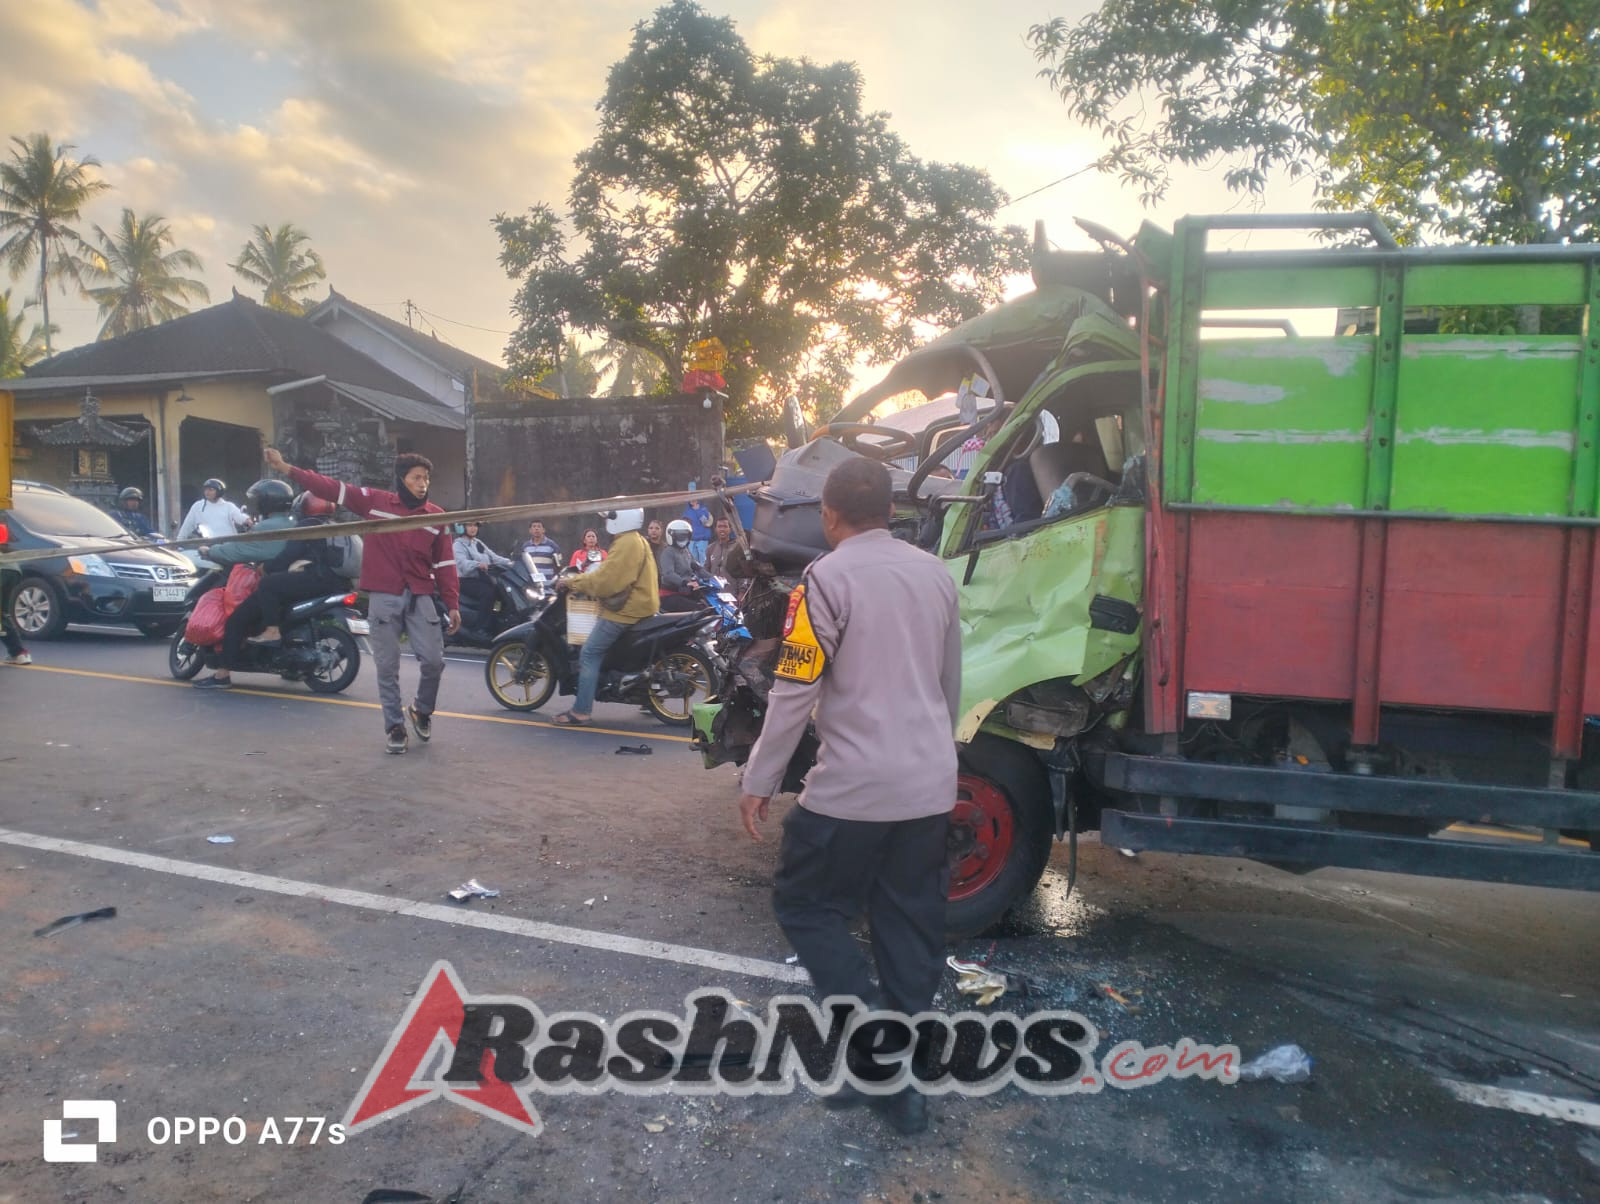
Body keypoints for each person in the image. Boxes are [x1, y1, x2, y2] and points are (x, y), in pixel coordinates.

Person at [737, 457, 962, 1136]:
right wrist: (931, 760)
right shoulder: (937, 575)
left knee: (803, 904)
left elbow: (795, 686)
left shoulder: (823, 579)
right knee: (906, 927)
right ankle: (900, 1084)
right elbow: (950, 683)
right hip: (928, 785)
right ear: (891, 512)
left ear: (829, 516)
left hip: (853, 791)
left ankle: (869, 1040)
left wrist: (759, 778)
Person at [264, 446, 460, 755]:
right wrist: (286, 467)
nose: (423, 484)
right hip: (384, 594)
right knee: (387, 665)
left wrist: (452, 603)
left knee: (434, 661)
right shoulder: (375, 502)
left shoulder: (437, 517)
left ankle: (421, 710)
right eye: (417, 478)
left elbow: (446, 564)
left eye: (426, 479)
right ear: (402, 479)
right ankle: (394, 726)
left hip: (421, 595)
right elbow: (330, 488)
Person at [551, 508, 658, 726]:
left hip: (627, 609)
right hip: (643, 605)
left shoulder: (627, 543)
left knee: (589, 652)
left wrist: (572, 582)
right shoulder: (635, 539)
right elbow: (608, 572)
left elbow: (607, 581)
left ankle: (581, 711)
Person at [191, 479, 299, 690]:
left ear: (266, 503)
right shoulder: (294, 523)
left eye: (258, 500)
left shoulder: (265, 528)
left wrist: (209, 551)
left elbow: (238, 550)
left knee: (235, 621)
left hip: (272, 585)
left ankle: (222, 675)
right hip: (294, 583)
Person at [454, 521, 512, 629]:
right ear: (462, 528)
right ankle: (481, 627)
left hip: (482, 578)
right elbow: (462, 564)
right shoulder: (458, 545)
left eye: (475, 525)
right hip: (464, 580)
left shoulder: (478, 543)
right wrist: (478, 564)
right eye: (470, 525)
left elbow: (494, 557)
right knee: (488, 593)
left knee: (502, 591)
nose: (473, 528)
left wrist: (510, 562)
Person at [177, 478, 250, 541]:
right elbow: (187, 526)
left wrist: (246, 520)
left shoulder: (228, 506)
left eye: (211, 490)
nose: (207, 492)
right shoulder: (198, 506)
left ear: (219, 492)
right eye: (205, 490)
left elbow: (239, 517)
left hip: (229, 544)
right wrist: (178, 541)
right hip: (209, 545)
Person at [657, 518, 700, 613]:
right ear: (671, 536)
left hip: (685, 592)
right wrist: (685, 582)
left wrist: (714, 578)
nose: (683, 539)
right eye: (680, 536)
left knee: (705, 604)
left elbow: (697, 567)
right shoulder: (668, 552)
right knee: (698, 609)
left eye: (685, 536)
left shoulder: (686, 551)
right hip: (670, 594)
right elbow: (668, 574)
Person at [521, 520, 562, 585]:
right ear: (530, 530)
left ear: (543, 530)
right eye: (534, 526)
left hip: (548, 586)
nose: (536, 528)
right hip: (532, 588)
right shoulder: (525, 547)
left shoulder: (552, 545)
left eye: (539, 526)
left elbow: (559, 565)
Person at [682, 491, 713, 564]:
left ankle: (704, 574)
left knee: (704, 560)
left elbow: (705, 522)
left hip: (702, 538)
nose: (693, 500)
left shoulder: (703, 509)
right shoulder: (687, 511)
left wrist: (698, 510)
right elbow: (684, 523)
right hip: (692, 539)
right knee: (693, 560)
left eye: (694, 498)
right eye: (691, 499)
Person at [703, 516, 737, 580]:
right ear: (716, 529)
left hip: (732, 588)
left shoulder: (737, 548)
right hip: (714, 588)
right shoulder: (710, 548)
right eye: (719, 526)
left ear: (730, 529)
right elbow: (706, 569)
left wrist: (742, 589)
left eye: (725, 526)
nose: (722, 529)